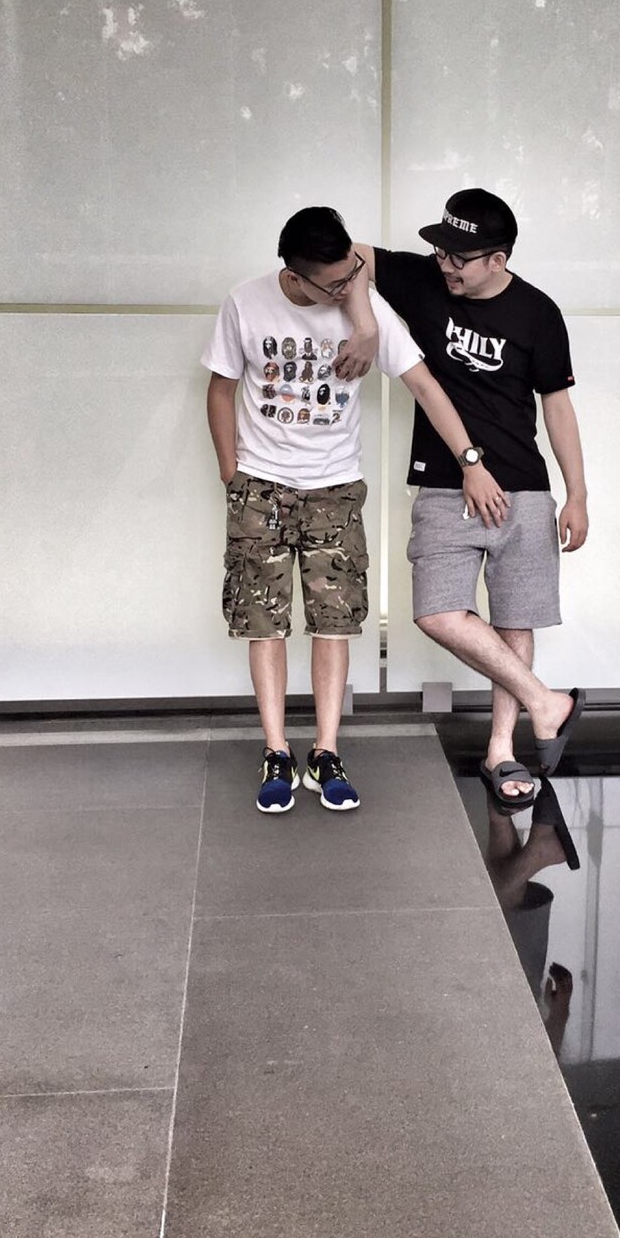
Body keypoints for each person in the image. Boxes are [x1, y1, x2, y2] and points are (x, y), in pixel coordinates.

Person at [202, 206, 506, 815]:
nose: (347, 288)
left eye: (352, 275)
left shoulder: (363, 302)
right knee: (264, 624)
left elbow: (424, 385)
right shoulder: (245, 302)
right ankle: (276, 751)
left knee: (334, 623)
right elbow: (221, 386)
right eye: (335, 283)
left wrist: (471, 460)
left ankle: (327, 752)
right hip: (261, 487)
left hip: (336, 489)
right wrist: (232, 473)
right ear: (295, 275)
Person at [351, 188, 589, 805]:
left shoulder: (538, 313)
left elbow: (557, 407)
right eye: (441, 251)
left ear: (498, 259)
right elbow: (341, 253)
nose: (446, 265)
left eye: (460, 256)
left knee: (514, 619)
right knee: (437, 612)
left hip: (524, 487)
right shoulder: (421, 279)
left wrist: (577, 494)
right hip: (444, 481)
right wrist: (365, 321)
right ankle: (546, 702)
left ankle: (502, 750)